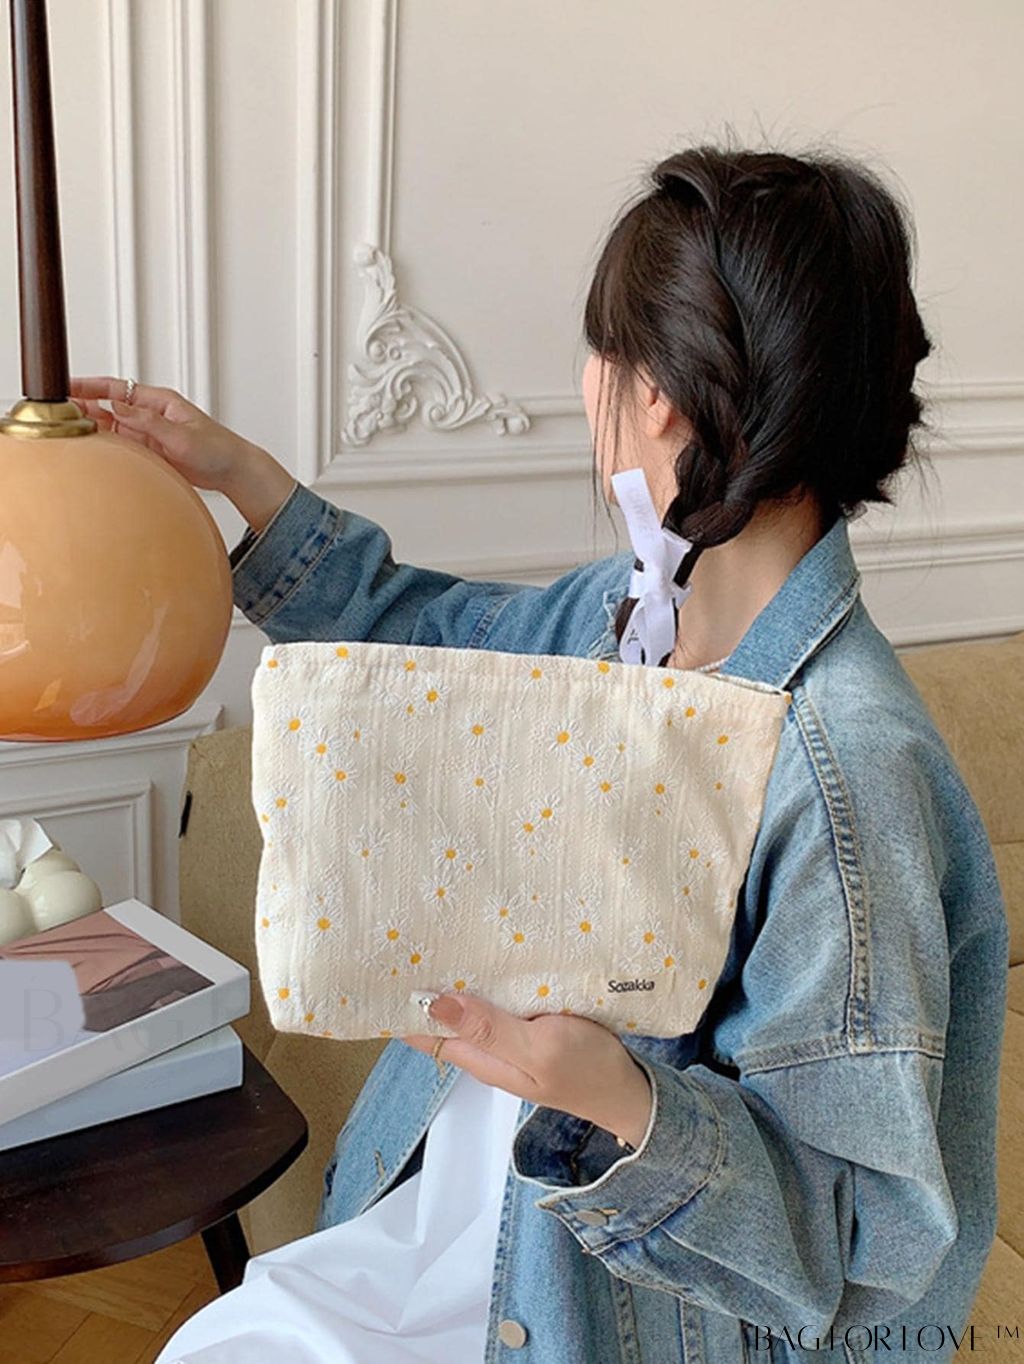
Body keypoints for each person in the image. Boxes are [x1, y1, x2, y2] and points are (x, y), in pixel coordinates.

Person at [72, 144, 1008, 1364]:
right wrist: (245, 480)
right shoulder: (626, 620)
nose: (588, 385)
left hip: (611, 1311)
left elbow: (861, 1246)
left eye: (600, 355)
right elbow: (429, 648)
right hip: (454, 1236)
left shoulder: (846, 773)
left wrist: (616, 1096)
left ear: (655, 394)